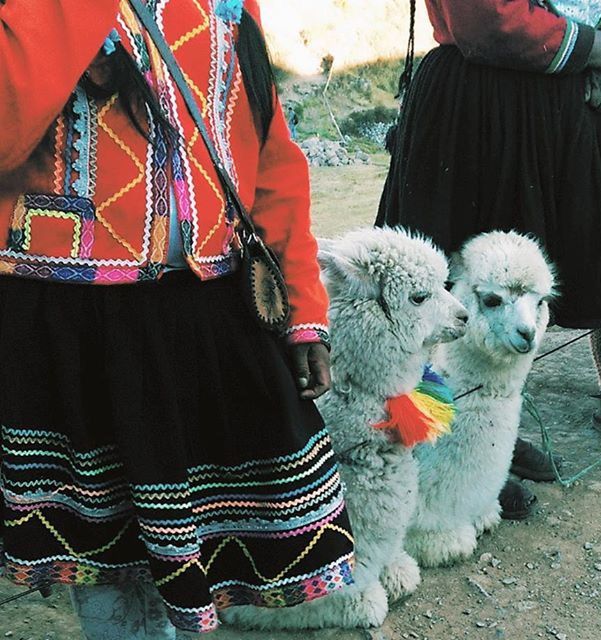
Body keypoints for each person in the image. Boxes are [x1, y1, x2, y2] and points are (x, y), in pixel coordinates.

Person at [0, 1, 354, 637]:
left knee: (193, 544)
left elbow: (268, 152)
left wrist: (302, 307)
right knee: (104, 553)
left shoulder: (226, 6)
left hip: (204, 311)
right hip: (69, 318)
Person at [377, 0, 601, 518]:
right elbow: (483, 16)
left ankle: (509, 432)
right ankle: (433, 440)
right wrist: (598, 50)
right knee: (460, 284)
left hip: (584, 99)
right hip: (485, 98)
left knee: (580, 258)